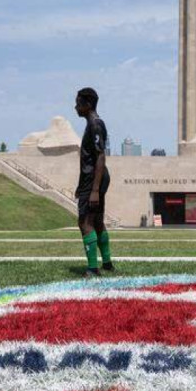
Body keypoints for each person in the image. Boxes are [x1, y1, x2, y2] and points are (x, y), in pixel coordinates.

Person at [74, 88, 113, 277]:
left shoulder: (95, 125)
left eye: (78, 102)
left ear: (87, 104)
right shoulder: (92, 124)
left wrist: (94, 189)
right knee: (97, 221)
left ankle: (92, 268)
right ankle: (107, 263)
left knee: (85, 222)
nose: (75, 106)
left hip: (95, 179)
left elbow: (100, 157)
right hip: (92, 179)